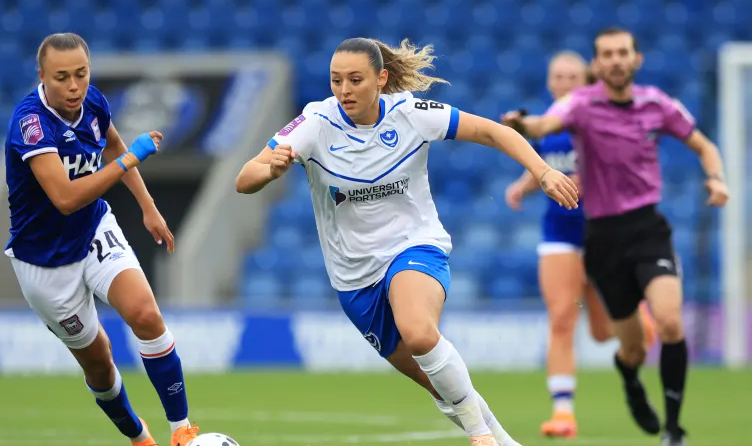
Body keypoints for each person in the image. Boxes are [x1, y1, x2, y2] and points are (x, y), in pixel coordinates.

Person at [236, 37, 579, 446]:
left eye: (355, 80)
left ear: (381, 79)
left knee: (418, 332)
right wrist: (270, 170)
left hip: (414, 247)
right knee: (442, 386)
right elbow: (244, 178)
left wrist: (543, 173)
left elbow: (491, 132)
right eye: (336, 81)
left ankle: (481, 436)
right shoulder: (314, 123)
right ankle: (502, 441)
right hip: (354, 279)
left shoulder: (411, 113)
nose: (344, 90)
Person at [502, 27, 729, 446]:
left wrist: (717, 179)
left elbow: (703, 145)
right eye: (607, 54)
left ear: (636, 59)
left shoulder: (657, 103)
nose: (616, 60)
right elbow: (545, 124)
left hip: (648, 228)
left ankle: (674, 428)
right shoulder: (581, 106)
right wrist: (522, 124)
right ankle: (629, 376)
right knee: (631, 347)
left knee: (671, 321)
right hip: (602, 238)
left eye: (623, 52)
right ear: (598, 64)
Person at [4, 33, 200, 446]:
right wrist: (132, 158)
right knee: (99, 363)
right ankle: (138, 436)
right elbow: (65, 198)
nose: (74, 86)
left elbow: (113, 146)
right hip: (44, 264)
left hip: (93, 230)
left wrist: (147, 205)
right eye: (62, 77)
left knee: (146, 315)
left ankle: (182, 431)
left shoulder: (93, 101)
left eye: (81, 74)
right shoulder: (31, 123)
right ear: (42, 76)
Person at [504, 51, 657, 439]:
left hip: (603, 234)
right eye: (559, 75)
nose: (565, 81)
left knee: (605, 333)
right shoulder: (546, 125)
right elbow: (541, 162)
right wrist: (523, 186)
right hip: (559, 234)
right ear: (550, 81)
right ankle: (563, 413)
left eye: (574, 76)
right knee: (561, 318)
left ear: (586, 80)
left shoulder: (596, 120)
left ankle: (639, 317)